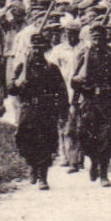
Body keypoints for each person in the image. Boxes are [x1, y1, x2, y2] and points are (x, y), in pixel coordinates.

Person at [71, 22, 111, 186]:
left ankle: (103, 172)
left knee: (107, 137)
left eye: (100, 37)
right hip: (89, 101)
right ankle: (94, 161)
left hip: (108, 101)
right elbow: (74, 80)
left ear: (106, 38)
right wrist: (77, 82)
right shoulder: (85, 54)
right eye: (94, 38)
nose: (97, 41)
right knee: (86, 136)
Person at [9, 29, 66, 190]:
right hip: (28, 108)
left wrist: (62, 112)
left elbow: (61, 91)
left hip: (46, 108)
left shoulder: (51, 68)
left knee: (46, 141)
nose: (36, 51)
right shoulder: (22, 67)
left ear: (45, 49)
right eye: (34, 47)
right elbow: (12, 89)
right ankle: (32, 164)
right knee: (24, 139)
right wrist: (21, 77)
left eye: (40, 48)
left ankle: (43, 177)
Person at [50, 15, 84, 172]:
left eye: (74, 32)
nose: (71, 35)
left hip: (81, 92)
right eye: (68, 32)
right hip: (63, 91)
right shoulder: (58, 50)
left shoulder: (85, 48)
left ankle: (78, 158)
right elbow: (52, 71)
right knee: (64, 125)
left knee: (80, 125)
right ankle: (66, 156)